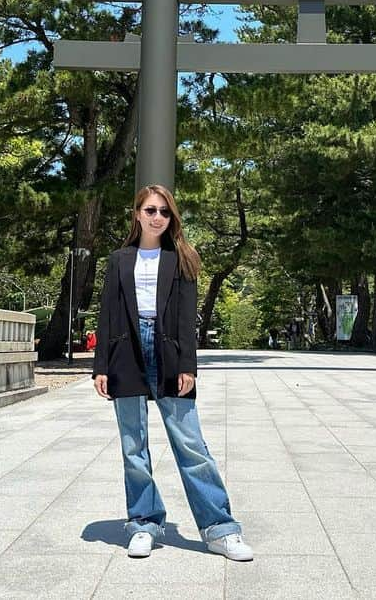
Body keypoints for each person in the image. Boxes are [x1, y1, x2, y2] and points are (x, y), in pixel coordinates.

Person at [92, 184, 253, 561]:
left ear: (172, 217)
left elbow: (185, 319)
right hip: (125, 351)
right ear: (137, 214)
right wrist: (100, 366)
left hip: (168, 352)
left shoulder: (182, 258)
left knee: (191, 444)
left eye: (165, 211)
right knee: (134, 446)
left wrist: (188, 366)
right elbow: (108, 312)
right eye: (150, 210)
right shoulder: (119, 259)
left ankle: (220, 529)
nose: (157, 217)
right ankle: (144, 523)